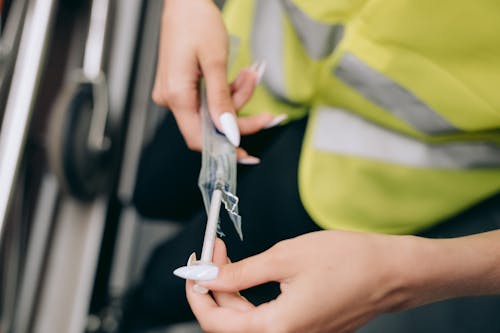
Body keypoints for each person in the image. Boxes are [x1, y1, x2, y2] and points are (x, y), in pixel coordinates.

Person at [122, 0, 500, 332]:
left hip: (373, 171)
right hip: (247, 67)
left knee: (181, 283)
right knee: (157, 188)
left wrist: (398, 276)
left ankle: (129, 313)